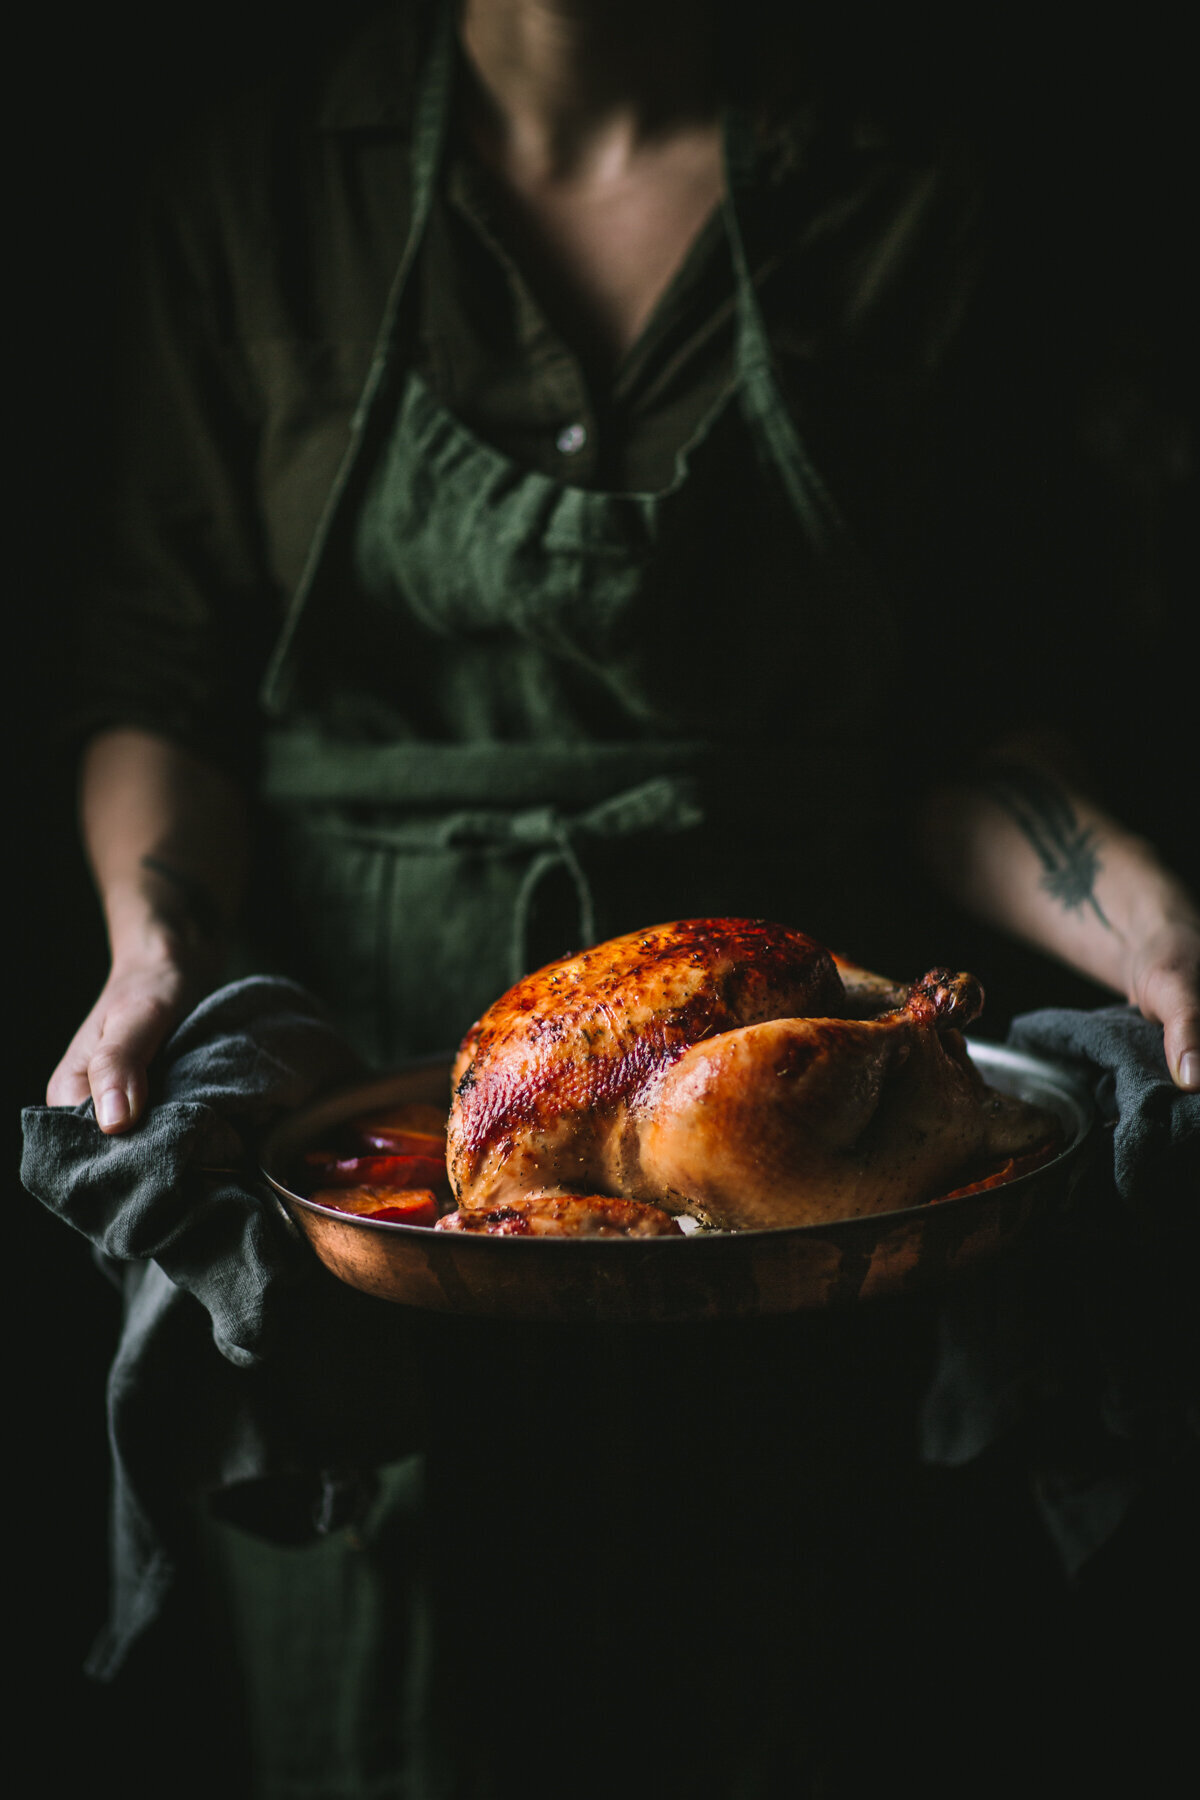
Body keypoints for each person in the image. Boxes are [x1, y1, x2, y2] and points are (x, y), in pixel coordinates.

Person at [36, 2, 1199, 1794]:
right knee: (410, 1717)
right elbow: (160, 678)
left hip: (815, 1190)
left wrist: (1141, 920)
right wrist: (156, 953)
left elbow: (973, 717)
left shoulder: (902, 188)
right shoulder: (259, 186)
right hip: (384, 1127)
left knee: (795, 1697)